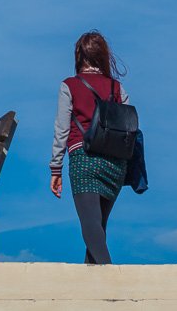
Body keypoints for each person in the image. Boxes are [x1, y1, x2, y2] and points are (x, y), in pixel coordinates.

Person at [50, 31, 129, 264]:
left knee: (91, 227)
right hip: (115, 164)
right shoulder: (117, 88)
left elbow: (61, 129)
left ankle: (112, 277)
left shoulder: (70, 86)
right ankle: (93, 293)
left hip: (84, 159)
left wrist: (56, 168)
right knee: (98, 229)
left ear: (79, 56)